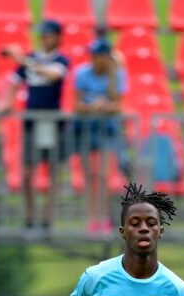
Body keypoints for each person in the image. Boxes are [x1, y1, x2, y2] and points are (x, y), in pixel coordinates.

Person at [0, 19, 70, 236]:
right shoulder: (30, 60)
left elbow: (53, 74)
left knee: (53, 172)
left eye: (48, 34)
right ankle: (30, 218)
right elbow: (14, 81)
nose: (44, 38)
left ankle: (47, 219)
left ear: (57, 36)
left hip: (52, 124)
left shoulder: (61, 60)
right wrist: (7, 103)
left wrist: (23, 60)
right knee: (28, 172)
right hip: (32, 123)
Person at [73, 39, 127, 236]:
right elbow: (77, 104)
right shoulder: (81, 73)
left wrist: (113, 73)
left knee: (104, 177)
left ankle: (103, 219)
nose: (95, 59)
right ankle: (91, 219)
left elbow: (118, 104)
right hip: (86, 130)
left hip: (107, 131)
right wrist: (92, 107)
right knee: (90, 178)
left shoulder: (118, 75)